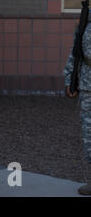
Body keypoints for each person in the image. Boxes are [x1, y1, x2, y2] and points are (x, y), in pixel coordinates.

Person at [64, 22, 91, 196]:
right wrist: (69, 78)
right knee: (89, 135)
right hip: (87, 86)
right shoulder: (86, 22)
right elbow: (75, 53)